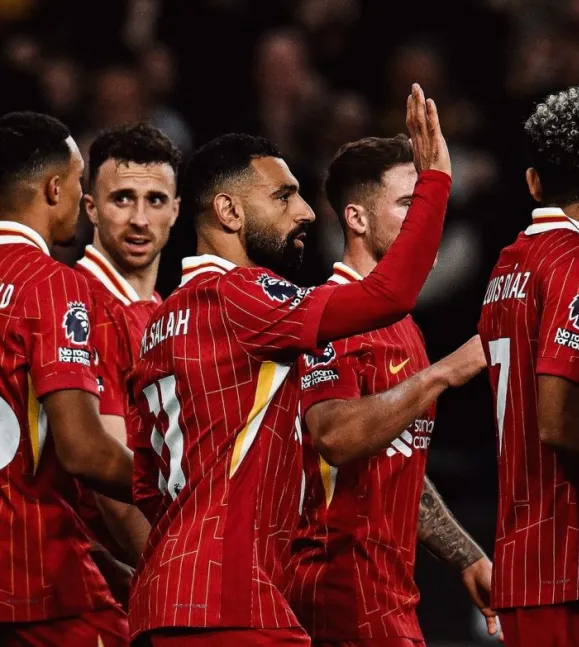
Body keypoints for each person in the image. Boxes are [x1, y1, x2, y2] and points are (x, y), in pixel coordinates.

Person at [127, 84, 452, 647]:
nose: (304, 213)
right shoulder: (241, 294)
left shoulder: (162, 320)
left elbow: (145, 486)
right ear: (229, 211)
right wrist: (437, 182)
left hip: (170, 598)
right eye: (283, 197)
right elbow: (389, 294)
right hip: (232, 602)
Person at [286, 134, 496, 646]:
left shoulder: (403, 328)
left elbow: (396, 460)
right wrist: (441, 375)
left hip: (388, 594)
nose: (426, 221)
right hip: (338, 592)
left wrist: (467, 557)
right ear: (356, 219)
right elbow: (334, 435)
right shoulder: (329, 315)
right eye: (408, 204)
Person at [477, 86, 579, 647]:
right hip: (576, 561)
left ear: (533, 182)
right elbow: (559, 418)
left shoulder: (508, 264)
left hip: (525, 560)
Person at [0, 111, 134, 645]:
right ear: (54, 189)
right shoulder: (51, 285)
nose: (82, 197)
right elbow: (84, 451)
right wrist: (179, 489)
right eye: (80, 181)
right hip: (34, 573)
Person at [73, 122, 182, 605]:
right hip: (95, 586)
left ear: (175, 210)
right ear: (90, 207)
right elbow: (110, 482)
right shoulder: (84, 305)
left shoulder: (160, 313)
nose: (139, 219)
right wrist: (176, 581)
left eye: (155, 200)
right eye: (122, 199)